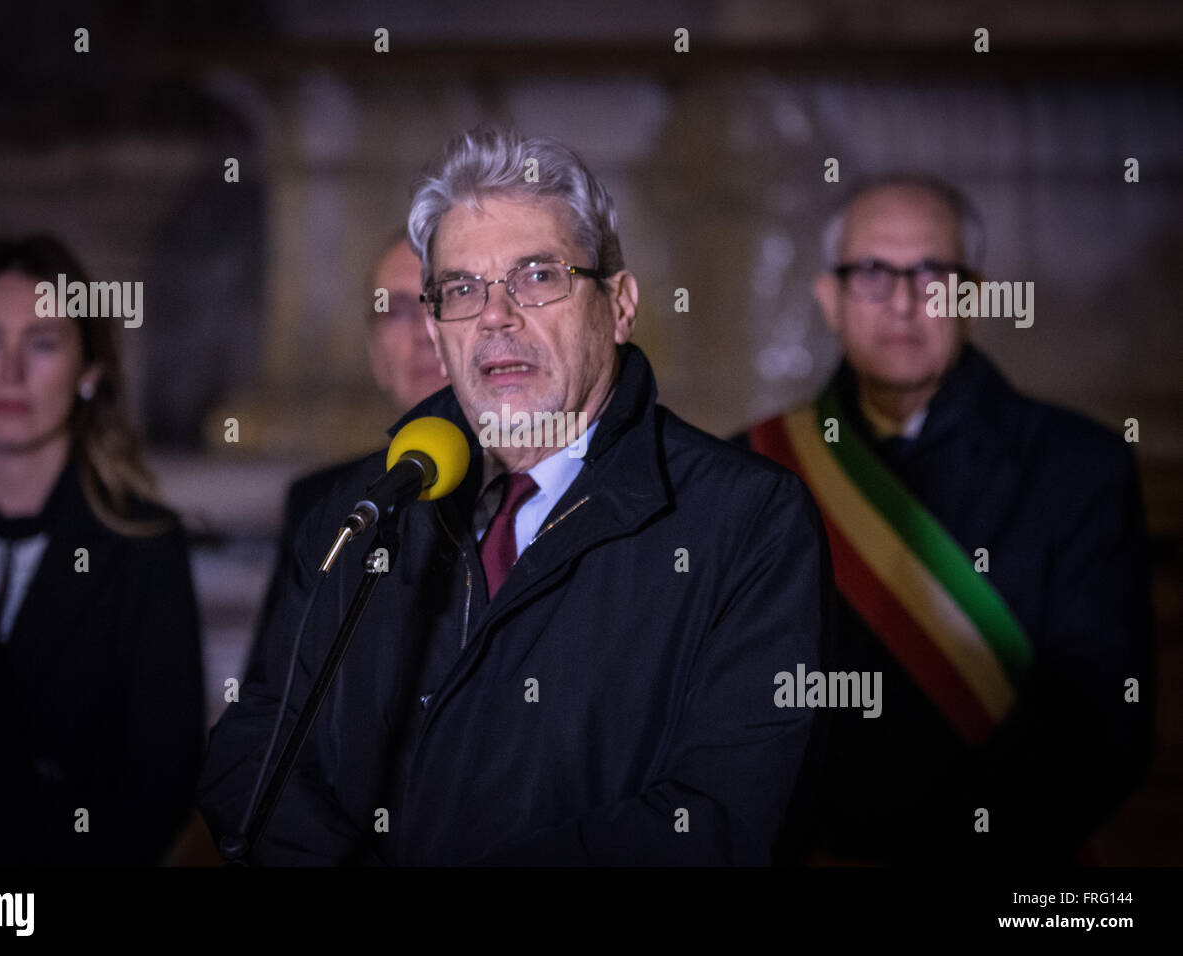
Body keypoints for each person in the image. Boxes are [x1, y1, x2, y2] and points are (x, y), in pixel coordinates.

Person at [197, 126, 831, 865]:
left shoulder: (745, 520)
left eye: (537, 276)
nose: (496, 317)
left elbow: (718, 817)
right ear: (437, 333)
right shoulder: (364, 507)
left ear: (619, 305)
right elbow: (254, 748)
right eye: (462, 289)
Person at [734, 176, 1156, 863]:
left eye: (933, 272)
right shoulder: (749, 470)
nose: (903, 302)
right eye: (871, 271)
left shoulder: (1081, 467)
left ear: (975, 297)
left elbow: (1103, 720)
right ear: (829, 300)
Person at [0, 236, 205, 865]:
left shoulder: (145, 547)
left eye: (42, 343)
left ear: (89, 372)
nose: (11, 374)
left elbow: (160, 782)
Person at [255, 229, 447, 643]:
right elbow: (274, 692)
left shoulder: (524, 494)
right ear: (376, 353)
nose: (422, 333)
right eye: (395, 311)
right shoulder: (323, 506)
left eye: (440, 302)